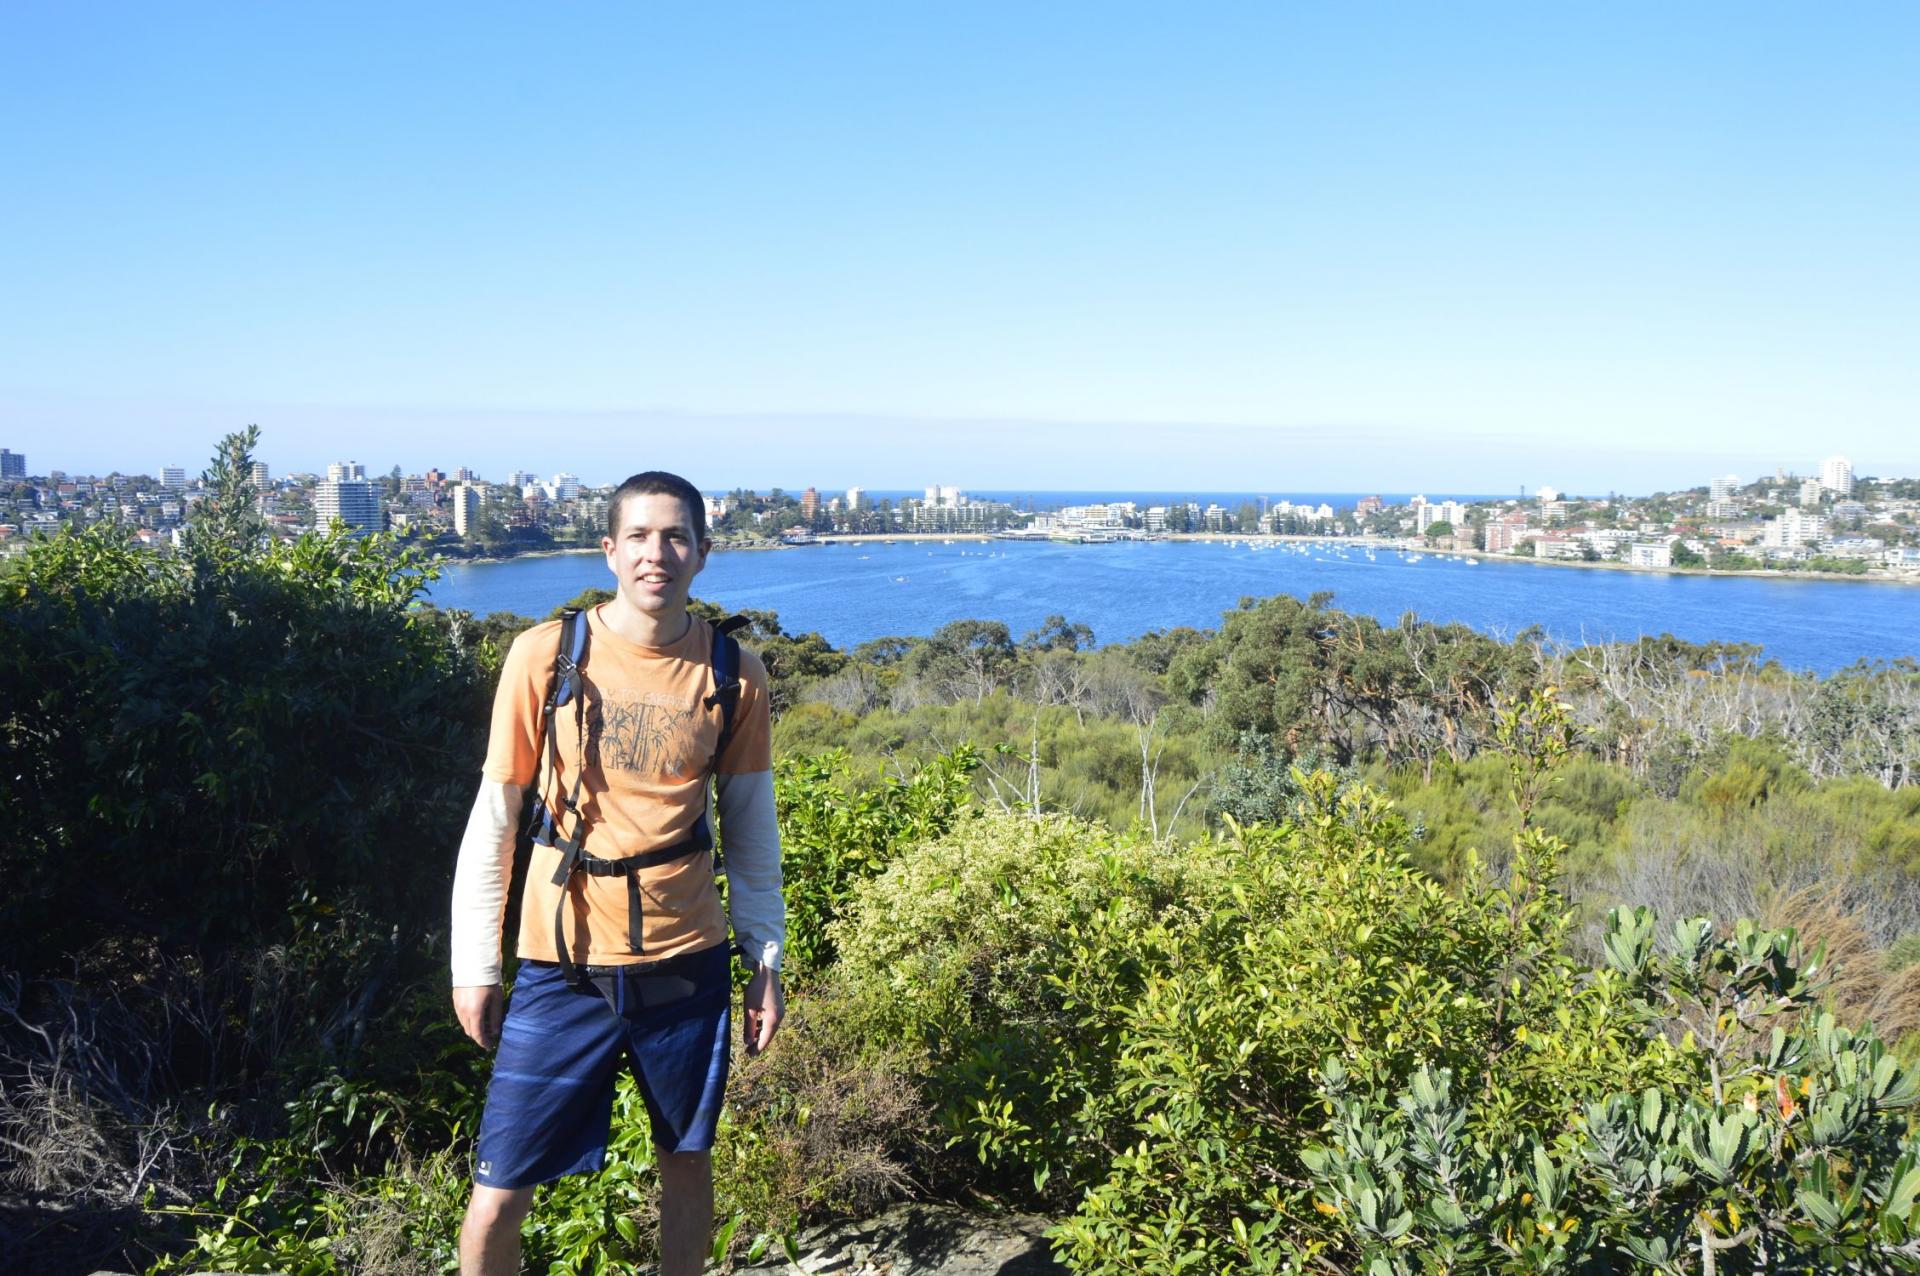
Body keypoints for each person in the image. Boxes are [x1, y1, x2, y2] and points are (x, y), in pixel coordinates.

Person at [448, 471, 785, 1276]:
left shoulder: (734, 672)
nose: (655, 554)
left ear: (703, 553)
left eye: (674, 537)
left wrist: (763, 962)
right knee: (498, 1191)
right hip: (560, 964)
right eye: (638, 536)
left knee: (686, 1165)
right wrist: (475, 964)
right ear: (609, 550)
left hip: (685, 960)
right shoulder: (545, 656)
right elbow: (496, 819)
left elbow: (750, 828)